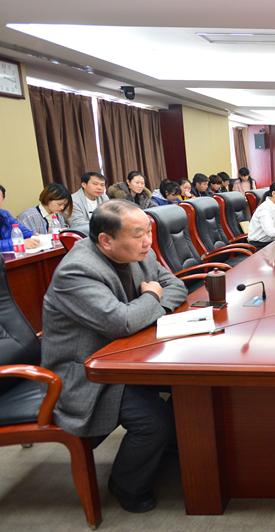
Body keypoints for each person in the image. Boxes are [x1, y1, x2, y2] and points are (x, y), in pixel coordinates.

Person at [41, 200, 187, 513]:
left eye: (148, 231)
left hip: (126, 356)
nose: (147, 241)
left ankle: (170, 449)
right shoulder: (77, 271)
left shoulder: (138, 253)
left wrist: (150, 304)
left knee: (190, 386)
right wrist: (152, 296)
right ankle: (126, 485)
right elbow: (121, 322)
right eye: (138, 234)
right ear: (106, 240)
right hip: (86, 373)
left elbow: (175, 286)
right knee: (153, 421)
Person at [0, 184, 39, 251]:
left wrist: (33, 235)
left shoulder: (4, 214)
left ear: (3, 199)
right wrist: (19, 243)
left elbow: (20, 229)